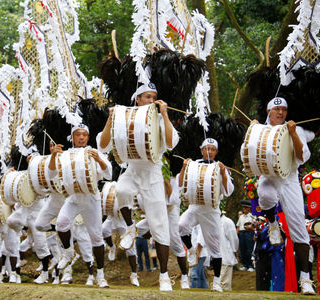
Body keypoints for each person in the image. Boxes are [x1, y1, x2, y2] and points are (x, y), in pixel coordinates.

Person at [98, 83, 179, 291]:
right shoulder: (123, 118)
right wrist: (110, 117)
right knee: (122, 190)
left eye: (154, 97)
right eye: (147, 97)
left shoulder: (159, 119)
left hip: (152, 172)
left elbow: (170, 143)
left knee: (159, 226)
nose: (151, 101)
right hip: (132, 169)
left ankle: (163, 276)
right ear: (138, 100)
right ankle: (130, 227)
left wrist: (165, 114)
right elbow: (103, 145)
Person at [251, 97, 316, 295]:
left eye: (284, 109)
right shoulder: (260, 129)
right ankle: (272, 224)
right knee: (265, 194)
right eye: (277, 109)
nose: (281, 113)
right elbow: (249, 154)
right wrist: (252, 129)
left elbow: (302, 157)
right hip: (269, 175)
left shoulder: (294, 129)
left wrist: (294, 133)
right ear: (269, 111)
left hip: (289, 177)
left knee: (298, 227)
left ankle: (305, 279)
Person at [49, 124, 112, 288]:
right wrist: (52, 156)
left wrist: (99, 159)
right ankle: (69, 252)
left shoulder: (94, 152)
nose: (81, 137)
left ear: (88, 137)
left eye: (84, 135)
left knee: (96, 238)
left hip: (91, 198)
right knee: (61, 224)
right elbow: (51, 174)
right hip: (73, 197)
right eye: (78, 134)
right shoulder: (65, 155)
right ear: (73, 137)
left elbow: (109, 174)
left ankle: (100, 275)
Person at [178, 138, 234, 292]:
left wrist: (223, 173)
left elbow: (229, 191)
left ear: (216, 152)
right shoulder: (193, 165)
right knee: (181, 226)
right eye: (206, 149)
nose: (209, 152)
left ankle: (216, 281)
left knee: (215, 249)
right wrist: (183, 168)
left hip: (211, 210)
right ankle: (191, 249)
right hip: (195, 206)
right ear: (201, 150)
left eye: (212, 149)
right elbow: (180, 184)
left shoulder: (220, 167)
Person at [219, 211, 239, 290]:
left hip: (226, 255)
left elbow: (233, 239)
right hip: (217, 256)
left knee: (224, 283)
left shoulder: (227, 222)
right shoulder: (214, 221)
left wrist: (234, 250)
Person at [236, 201, 255, 271]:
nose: (244, 209)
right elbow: (238, 226)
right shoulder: (241, 217)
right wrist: (236, 235)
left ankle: (251, 265)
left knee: (249, 249)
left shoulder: (252, 216)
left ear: (249, 208)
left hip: (249, 233)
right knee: (243, 249)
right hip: (242, 234)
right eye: (243, 208)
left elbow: (255, 226)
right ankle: (245, 265)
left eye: (246, 208)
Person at [190, 224, 209, 289]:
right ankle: (204, 289)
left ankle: (194, 289)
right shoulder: (195, 224)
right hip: (198, 252)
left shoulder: (200, 224)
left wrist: (198, 253)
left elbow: (201, 240)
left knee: (194, 273)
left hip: (200, 252)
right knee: (200, 273)